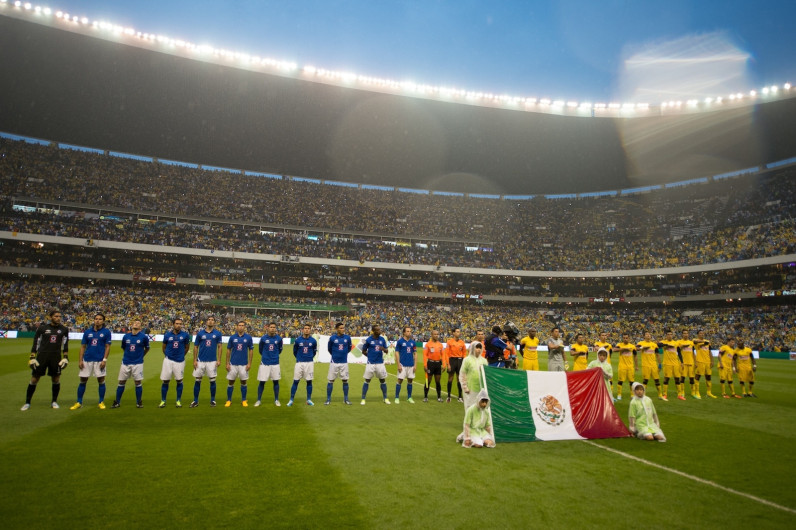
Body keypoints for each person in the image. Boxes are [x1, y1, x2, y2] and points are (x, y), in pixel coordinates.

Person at [22, 309, 70, 411]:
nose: (58, 318)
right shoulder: (42, 328)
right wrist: (32, 356)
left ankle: (54, 401)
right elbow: (36, 342)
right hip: (42, 356)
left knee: (56, 379)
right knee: (35, 379)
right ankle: (27, 402)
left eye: (59, 316)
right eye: (56, 316)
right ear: (50, 317)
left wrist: (65, 357)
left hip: (56, 357)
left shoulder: (64, 329)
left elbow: (65, 343)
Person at [70, 312, 111, 410]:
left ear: (103, 321)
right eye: (96, 318)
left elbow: (107, 347)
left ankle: (101, 401)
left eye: (100, 319)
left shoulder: (106, 332)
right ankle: (79, 402)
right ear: (94, 320)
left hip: (99, 360)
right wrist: (80, 360)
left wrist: (104, 360)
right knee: (83, 380)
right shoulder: (87, 332)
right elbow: (83, 346)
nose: (98, 320)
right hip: (87, 359)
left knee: (101, 380)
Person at [111, 319, 150, 408]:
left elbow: (147, 348)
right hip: (125, 362)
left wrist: (141, 356)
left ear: (140, 327)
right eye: (135, 322)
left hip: (138, 363)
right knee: (121, 381)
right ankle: (117, 401)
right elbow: (124, 347)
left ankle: (139, 402)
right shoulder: (126, 337)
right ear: (132, 325)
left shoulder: (143, 337)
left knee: (137, 382)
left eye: (138, 323)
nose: (136, 323)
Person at [457, 341, 488, 443]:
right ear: (472, 348)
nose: (478, 350)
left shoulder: (484, 361)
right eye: (476, 347)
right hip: (470, 390)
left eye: (480, 348)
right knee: (470, 412)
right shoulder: (467, 360)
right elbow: (462, 374)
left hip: (481, 391)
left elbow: (487, 376)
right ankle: (467, 435)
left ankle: (477, 434)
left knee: (481, 412)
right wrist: (465, 387)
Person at [190, 315, 223, 407]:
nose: (210, 321)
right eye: (209, 320)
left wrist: (219, 359)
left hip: (212, 361)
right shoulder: (200, 334)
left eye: (212, 320)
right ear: (206, 322)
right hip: (200, 360)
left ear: (214, 322)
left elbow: (220, 347)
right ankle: (195, 400)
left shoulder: (217, 334)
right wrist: (194, 360)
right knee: (197, 380)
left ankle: (213, 400)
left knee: (212, 381)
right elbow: (195, 347)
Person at [160, 317, 191, 408]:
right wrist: (168, 355)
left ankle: (178, 400)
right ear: (173, 324)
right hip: (168, 360)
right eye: (177, 323)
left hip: (180, 361)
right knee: (165, 380)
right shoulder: (167, 335)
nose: (179, 325)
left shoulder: (185, 335)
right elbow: (164, 347)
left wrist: (181, 355)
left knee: (179, 380)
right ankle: (163, 400)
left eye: (180, 324)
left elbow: (187, 347)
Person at [359, 324, 390, 405]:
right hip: (371, 363)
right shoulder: (368, 340)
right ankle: (363, 399)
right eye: (378, 330)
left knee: (382, 380)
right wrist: (369, 357)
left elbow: (386, 351)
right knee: (367, 380)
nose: (379, 331)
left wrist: (383, 349)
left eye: (380, 330)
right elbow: (363, 351)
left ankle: (385, 398)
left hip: (380, 363)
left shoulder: (382, 339)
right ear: (373, 331)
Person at [225, 321, 254, 407]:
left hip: (244, 364)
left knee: (243, 381)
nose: (241, 327)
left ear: (244, 327)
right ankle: (229, 400)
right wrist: (227, 363)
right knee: (231, 382)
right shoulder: (232, 337)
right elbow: (228, 350)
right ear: (236, 327)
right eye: (239, 325)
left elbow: (251, 350)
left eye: (242, 325)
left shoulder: (248, 338)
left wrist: (249, 363)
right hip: (233, 363)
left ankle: (244, 400)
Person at [289, 324, 317, 406]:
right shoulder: (298, 340)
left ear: (310, 330)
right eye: (305, 328)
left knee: (309, 381)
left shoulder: (313, 341)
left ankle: (308, 399)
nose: (307, 330)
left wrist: (309, 357)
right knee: (296, 381)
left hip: (309, 363)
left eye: (308, 328)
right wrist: (299, 358)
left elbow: (314, 352)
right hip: (299, 363)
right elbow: (295, 351)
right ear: (303, 330)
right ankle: (291, 400)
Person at [257, 322, 283, 407]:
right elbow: (260, 350)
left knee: (276, 381)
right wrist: (266, 357)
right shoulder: (263, 338)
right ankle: (259, 400)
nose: (272, 328)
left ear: (276, 329)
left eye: (274, 327)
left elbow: (280, 350)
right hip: (265, 363)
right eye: (271, 327)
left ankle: (276, 400)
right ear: (268, 328)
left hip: (275, 363)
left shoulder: (279, 339)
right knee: (262, 382)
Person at [325, 322, 352, 405]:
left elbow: (349, 348)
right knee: (331, 380)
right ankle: (328, 399)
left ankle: (346, 399)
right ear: (337, 329)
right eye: (340, 328)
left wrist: (342, 355)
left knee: (345, 380)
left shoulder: (347, 338)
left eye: (343, 328)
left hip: (344, 362)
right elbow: (329, 349)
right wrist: (335, 355)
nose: (342, 329)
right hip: (334, 362)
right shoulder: (332, 338)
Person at [659, 329, 684, 401]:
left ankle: (679, 395)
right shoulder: (663, 342)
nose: (669, 336)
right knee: (666, 378)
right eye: (668, 334)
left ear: (672, 335)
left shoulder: (676, 343)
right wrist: (666, 345)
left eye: (671, 334)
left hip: (676, 364)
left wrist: (682, 362)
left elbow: (679, 353)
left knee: (677, 379)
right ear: (666, 335)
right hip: (667, 364)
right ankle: (665, 394)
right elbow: (658, 345)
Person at [637, 331, 663, 399]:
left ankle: (660, 394)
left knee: (657, 380)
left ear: (651, 336)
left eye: (649, 334)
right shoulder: (641, 343)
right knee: (645, 380)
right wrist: (643, 347)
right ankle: (643, 395)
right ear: (644, 336)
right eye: (646, 334)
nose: (648, 335)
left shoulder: (654, 345)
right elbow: (636, 348)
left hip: (654, 365)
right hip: (645, 365)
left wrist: (660, 364)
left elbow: (657, 355)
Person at [394, 326, 417, 404]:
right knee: (400, 380)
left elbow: (415, 354)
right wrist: (398, 365)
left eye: (410, 331)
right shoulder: (400, 341)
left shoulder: (413, 342)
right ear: (404, 332)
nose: (409, 332)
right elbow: (396, 353)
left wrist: (415, 365)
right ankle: (397, 397)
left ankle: (409, 397)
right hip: (402, 364)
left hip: (411, 365)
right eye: (407, 331)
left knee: (410, 381)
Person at [444, 327, 467, 402]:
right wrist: (448, 364)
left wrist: (464, 362)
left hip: (460, 361)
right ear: (453, 333)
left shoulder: (462, 342)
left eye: (459, 332)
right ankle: (448, 396)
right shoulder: (449, 342)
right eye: (457, 332)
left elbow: (464, 353)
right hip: (452, 360)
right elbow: (446, 354)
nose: (458, 333)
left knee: (459, 379)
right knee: (450, 378)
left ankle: (460, 396)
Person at [693, 329, 717, 399]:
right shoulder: (696, 341)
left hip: (707, 362)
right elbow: (695, 342)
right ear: (698, 334)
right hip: (700, 361)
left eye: (703, 333)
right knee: (698, 376)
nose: (702, 334)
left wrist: (712, 361)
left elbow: (709, 352)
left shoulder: (708, 342)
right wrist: (704, 343)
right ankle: (697, 392)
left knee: (708, 377)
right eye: (700, 333)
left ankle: (709, 392)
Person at [614, 333, 637, 400]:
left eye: (626, 338)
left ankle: (632, 395)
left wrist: (636, 366)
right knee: (620, 381)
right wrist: (623, 349)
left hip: (630, 367)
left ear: (629, 338)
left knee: (631, 382)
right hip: (622, 366)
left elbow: (635, 356)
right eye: (624, 338)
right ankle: (619, 395)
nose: (625, 339)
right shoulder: (619, 345)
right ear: (622, 338)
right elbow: (614, 349)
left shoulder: (632, 346)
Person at [423, 329, 444, 402]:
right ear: (431, 335)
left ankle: (439, 397)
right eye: (435, 334)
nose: (436, 335)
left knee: (438, 381)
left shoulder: (440, 345)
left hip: (438, 364)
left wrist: (444, 365)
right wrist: (425, 365)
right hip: (430, 363)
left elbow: (443, 355)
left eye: (437, 334)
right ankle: (425, 397)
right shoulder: (428, 344)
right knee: (428, 381)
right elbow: (425, 355)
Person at [678, 330, 697, 399]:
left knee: (692, 378)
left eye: (687, 333)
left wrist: (695, 362)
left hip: (691, 363)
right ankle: (682, 392)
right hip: (683, 363)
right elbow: (679, 349)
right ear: (682, 334)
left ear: (688, 334)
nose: (686, 334)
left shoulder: (691, 343)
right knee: (682, 378)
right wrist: (683, 346)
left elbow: (693, 353)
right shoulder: (679, 342)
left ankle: (693, 392)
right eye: (684, 333)